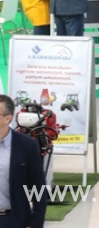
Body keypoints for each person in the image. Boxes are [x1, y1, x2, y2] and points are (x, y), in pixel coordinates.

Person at [0, 94, 49, 228]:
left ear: (7, 118)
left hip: (12, 220)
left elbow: (38, 187)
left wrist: (35, 223)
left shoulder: (26, 145)